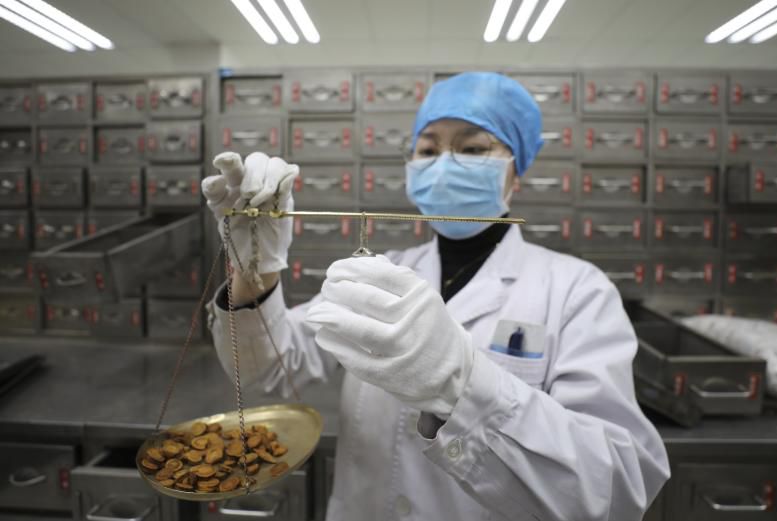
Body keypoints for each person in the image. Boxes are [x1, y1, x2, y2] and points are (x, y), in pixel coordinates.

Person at [203, 72, 670, 521]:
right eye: (428, 149)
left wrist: (461, 383)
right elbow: (269, 370)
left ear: (517, 171)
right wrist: (255, 270)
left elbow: (616, 490)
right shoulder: (381, 272)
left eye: (473, 148)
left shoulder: (576, 290)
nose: (444, 164)